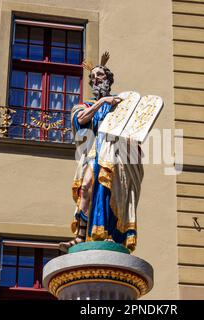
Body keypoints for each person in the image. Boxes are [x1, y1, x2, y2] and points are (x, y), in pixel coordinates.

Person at [59, 52, 144, 253]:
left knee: (114, 193)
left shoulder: (121, 105)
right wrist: (102, 102)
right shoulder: (85, 105)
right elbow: (80, 121)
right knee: (87, 185)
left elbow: (133, 128)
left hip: (116, 154)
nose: (97, 79)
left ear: (109, 80)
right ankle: (80, 236)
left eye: (101, 75)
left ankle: (111, 234)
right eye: (94, 76)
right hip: (94, 151)